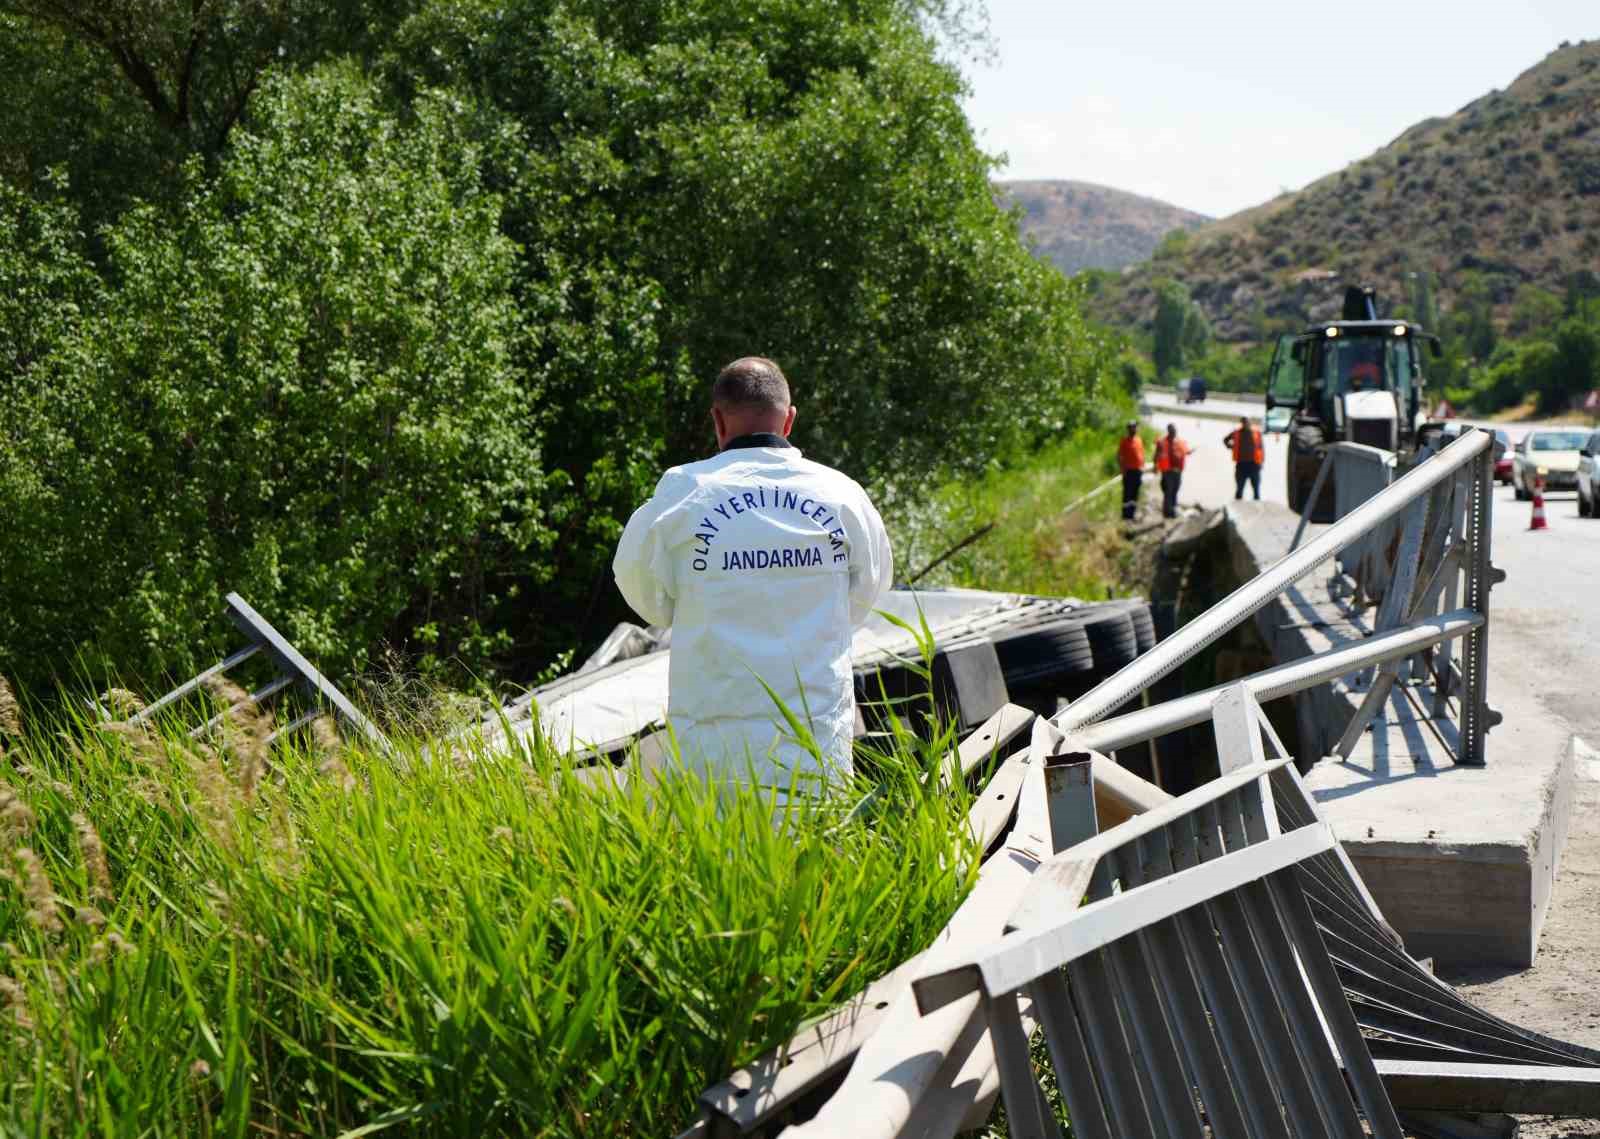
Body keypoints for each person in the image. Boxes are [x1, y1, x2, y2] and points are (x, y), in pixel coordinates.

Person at [612, 356, 893, 799]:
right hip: (814, 737)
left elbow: (645, 597)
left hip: (713, 740)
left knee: (717, 862)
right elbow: (866, 596)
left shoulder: (682, 492)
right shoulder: (841, 494)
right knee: (820, 857)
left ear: (718, 421)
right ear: (790, 421)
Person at [1223, 416, 1265, 501]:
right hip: (1241, 464)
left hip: (1254, 465)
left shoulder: (1256, 433)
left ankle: (1256, 509)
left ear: (1250, 423)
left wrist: (1261, 463)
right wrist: (1231, 447)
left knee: (1256, 491)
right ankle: (1237, 507)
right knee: (1239, 490)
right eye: (1244, 422)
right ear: (1242, 423)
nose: (1246, 424)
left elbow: (1261, 448)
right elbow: (1225, 440)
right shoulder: (1236, 433)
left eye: (1247, 422)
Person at [1154, 423, 1189, 518]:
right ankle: (1167, 512)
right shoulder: (1162, 442)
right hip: (1167, 471)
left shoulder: (1179, 442)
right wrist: (1155, 467)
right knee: (1168, 491)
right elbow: (1156, 455)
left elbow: (1185, 451)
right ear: (1168, 431)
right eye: (1171, 430)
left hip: (1178, 471)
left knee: (1175, 490)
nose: (1173, 432)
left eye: (1174, 430)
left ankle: (1173, 510)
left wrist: (1190, 451)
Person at [1117, 420, 1145, 521]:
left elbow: (1141, 454)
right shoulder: (1124, 441)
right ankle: (1125, 515)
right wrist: (1122, 469)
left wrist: (1142, 467)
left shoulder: (1139, 440)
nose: (1134, 429)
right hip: (1128, 471)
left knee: (1135, 493)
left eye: (1135, 427)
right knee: (1127, 493)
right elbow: (1119, 456)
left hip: (1138, 471)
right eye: (1132, 427)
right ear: (1128, 429)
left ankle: (1132, 514)